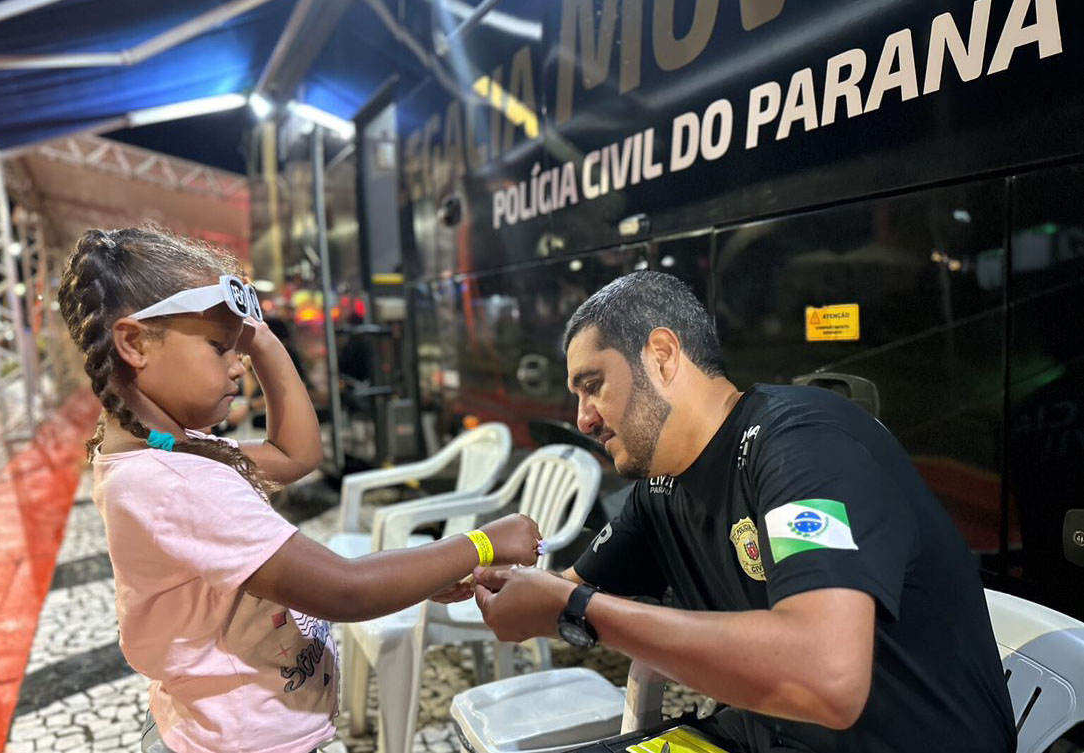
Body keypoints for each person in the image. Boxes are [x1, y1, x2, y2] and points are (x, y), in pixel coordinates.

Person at [471, 271, 1015, 753]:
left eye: (593, 386)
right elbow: (558, 595)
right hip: (766, 734)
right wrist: (479, 565)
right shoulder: (660, 487)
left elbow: (827, 678)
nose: (583, 418)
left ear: (661, 355)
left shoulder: (797, 440)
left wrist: (577, 608)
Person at [56, 227, 541, 753]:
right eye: (220, 346)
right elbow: (344, 590)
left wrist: (258, 335)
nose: (238, 364)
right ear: (134, 343)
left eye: (238, 346)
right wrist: (481, 543)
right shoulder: (175, 482)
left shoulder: (171, 450)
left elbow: (293, 455)